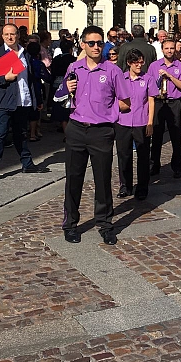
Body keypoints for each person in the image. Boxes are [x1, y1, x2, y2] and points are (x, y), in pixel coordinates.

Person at [54, 25, 130, 245]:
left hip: (101, 131)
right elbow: (59, 96)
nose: (96, 47)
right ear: (83, 45)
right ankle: (70, 225)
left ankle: (105, 224)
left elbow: (125, 102)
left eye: (100, 43)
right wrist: (65, 89)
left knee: (103, 180)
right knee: (73, 178)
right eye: (91, 43)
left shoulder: (113, 70)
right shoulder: (74, 68)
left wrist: (109, 115)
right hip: (76, 128)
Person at [0, 24, 49, 184]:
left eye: (12, 34)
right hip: (5, 101)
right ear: (1, 36)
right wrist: (4, 79)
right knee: (0, 135)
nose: (10, 37)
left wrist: (37, 99)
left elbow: (31, 78)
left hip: (23, 100)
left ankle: (27, 163)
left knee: (21, 134)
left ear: (18, 35)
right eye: (6, 35)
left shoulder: (25, 53)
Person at [115, 49, 157, 200]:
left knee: (143, 156)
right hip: (123, 122)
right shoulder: (121, 79)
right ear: (129, 63)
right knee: (124, 156)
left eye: (141, 62)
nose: (139, 65)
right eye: (136, 62)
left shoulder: (148, 79)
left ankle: (142, 187)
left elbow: (151, 101)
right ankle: (125, 186)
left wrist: (150, 122)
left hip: (141, 122)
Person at [148, 39, 181, 178]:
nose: (169, 51)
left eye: (171, 48)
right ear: (162, 49)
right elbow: (149, 85)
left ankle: (177, 165)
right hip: (159, 103)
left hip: (174, 102)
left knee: (175, 135)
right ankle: (154, 165)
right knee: (157, 135)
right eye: (166, 48)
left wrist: (170, 76)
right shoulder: (154, 66)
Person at [26, 41, 52, 142]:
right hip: (36, 86)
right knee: (36, 110)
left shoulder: (26, 61)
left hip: (26, 87)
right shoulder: (38, 63)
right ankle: (34, 133)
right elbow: (46, 77)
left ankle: (32, 131)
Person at [50, 38, 76, 134]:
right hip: (71, 84)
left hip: (57, 84)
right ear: (71, 49)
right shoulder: (73, 60)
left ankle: (64, 128)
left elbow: (53, 72)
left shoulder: (56, 59)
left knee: (60, 108)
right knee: (69, 108)